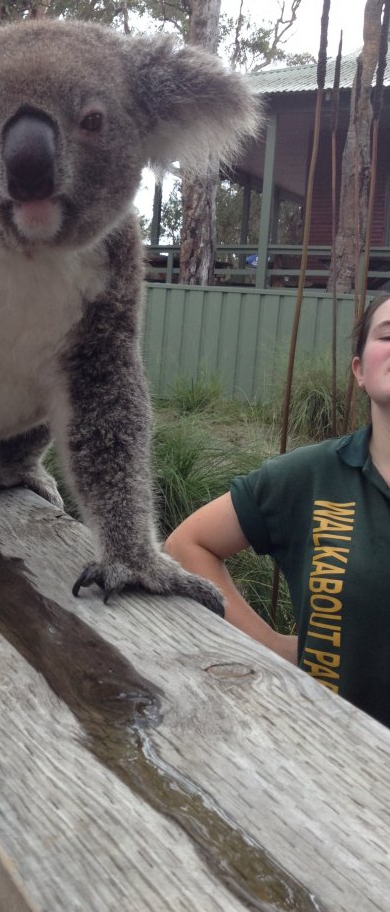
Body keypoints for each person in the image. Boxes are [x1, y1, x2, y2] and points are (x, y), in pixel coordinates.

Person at [165, 294, 390, 729]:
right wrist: (264, 642)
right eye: (388, 335)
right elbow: (186, 545)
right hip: (330, 755)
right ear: (359, 370)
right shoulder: (311, 476)